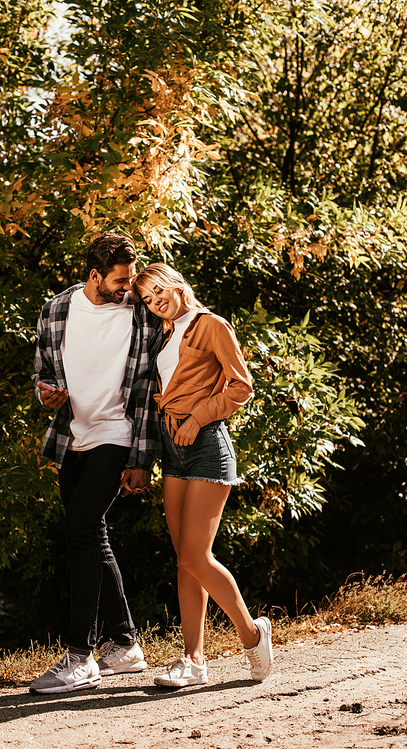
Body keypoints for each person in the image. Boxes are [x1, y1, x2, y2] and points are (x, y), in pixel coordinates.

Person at [29, 233, 162, 694]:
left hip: (116, 434)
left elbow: (147, 391)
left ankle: (80, 657)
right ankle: (126, 646)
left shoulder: (141, 315)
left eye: (130, 279)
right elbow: (43, 372)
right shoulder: (57, 309)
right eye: (121, 280)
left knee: (81, 529)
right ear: (94, 276)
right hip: (72, 437)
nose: (129, 288)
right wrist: (46, 394)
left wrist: (143, 457)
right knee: (91, 533)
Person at [131, 263, 273, 688]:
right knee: (184, 559)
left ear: (176, 284)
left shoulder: (211, 325)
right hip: (173, 451)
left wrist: (198, 416)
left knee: (196, 555)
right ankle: (193, 660)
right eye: (148, 299)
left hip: (208, 445)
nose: (156, 302)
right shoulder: (166, 333)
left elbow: (241, 385)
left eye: (159, 291)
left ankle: (253, 636)